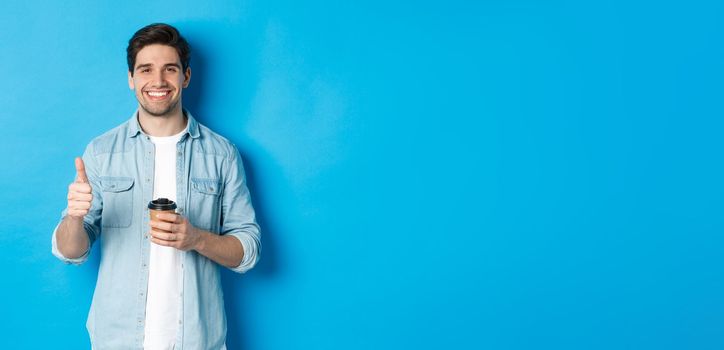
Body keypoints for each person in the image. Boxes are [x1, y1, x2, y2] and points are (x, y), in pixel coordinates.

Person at [51, 23, 261, 350]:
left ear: (186, 77)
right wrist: (75, 217)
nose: (158, 81)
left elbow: (248, 251)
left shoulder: (222, 154)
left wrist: (196, 239)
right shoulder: (102, 151)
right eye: (146, 69)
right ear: (131, 78)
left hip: (198, 341)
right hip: (117, 340)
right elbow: (70, 251)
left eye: (170, 69)